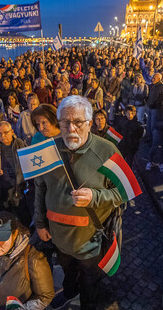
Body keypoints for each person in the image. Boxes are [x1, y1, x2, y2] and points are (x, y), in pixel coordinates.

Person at [34, 95, 123, 309]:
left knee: (90, 281)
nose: (71, 128)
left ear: (90, 123)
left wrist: (95, 197)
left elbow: (123, 193)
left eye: (78, 122)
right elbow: (40, 188)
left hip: (90, 241)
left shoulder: (108, 151)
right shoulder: (48, 151)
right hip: (59, 237)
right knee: (67, 271)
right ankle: (70, 293)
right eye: (65, 122)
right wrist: (39, 223)